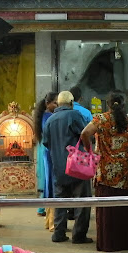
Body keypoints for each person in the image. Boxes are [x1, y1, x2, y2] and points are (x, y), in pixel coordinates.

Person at [80, 90, 128, 252]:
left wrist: (90, 150)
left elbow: (85, 133)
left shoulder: (101, 119)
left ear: (108, 104)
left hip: (104, 171)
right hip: (123, 172)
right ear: (123, 104)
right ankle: (123, 243)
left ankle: (107, 243)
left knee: (106, 208)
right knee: (122, 209)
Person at [42, 91, 93, 244]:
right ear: (71, 103)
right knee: (82, 201)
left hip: (58, 167)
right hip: (77, 166)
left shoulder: (50, 120)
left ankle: (59, 234)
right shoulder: (75, 115)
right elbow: (84, 134)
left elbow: (46, 143)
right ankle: (79, 235)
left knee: (60, 202)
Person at [34, 92, 58, 227]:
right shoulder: (48, 117)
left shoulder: (44, 116)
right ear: (48, 104)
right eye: (55, 103)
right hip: (49, 152)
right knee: (51, 184)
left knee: (48, 183)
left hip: (46, 151)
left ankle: (49, 219)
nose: (57, 105)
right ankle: (52, 221)